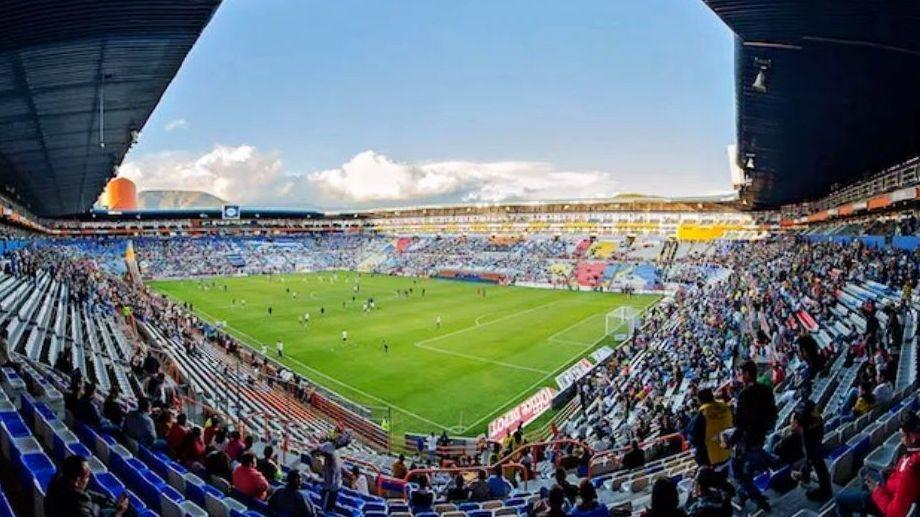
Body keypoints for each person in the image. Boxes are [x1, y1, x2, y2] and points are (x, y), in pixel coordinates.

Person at [835, 411, 920, 516]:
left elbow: (893, 513)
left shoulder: (912, 468)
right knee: (865, 473)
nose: (901, 440)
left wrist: (876, 490)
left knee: (840, 499)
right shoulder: (913, 454)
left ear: (912, 438)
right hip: (889, 487)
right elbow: (901, 475)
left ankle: (865, 501)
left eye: (902, 436)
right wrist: (892, 472)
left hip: (886, 500)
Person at [729, 360, 777, 512]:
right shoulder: (767, 390)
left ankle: (759, 499)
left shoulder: (744, 395)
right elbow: (772, 414)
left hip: (748, 441)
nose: (739, 376)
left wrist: (730, 441)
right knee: (747, 469)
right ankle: (743, 497)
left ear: (747, 374)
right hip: (761, 436)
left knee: (737, 472)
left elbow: (740, 424)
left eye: (741, 373)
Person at [46, 455, 130, 517]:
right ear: (77, 481)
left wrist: (110, 501)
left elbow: (87, 493)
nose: (88, 480)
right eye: (87, 477)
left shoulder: (59, 483)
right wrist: (119, 513)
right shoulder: (78, 508)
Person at [789, 400, 832, 501]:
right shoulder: (817, 418)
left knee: (815, 462)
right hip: (817, 441)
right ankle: (805, 475)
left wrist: (793, 421)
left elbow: (793, 429)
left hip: (812, 446)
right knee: (815, 462)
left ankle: (825, 491)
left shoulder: (805, 425)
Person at [686, 388, 732, 468]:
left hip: (712, 458)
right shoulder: (725, 407)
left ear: (700, 400)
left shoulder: (703, 414)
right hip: (728, 452)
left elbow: (692, 436)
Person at [313, 440, 342, 513]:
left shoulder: (331, 464)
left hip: (330, 491)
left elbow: (330, 484)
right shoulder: (334, 455)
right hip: (334, 487)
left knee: (325, 510)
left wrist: (318, 481)